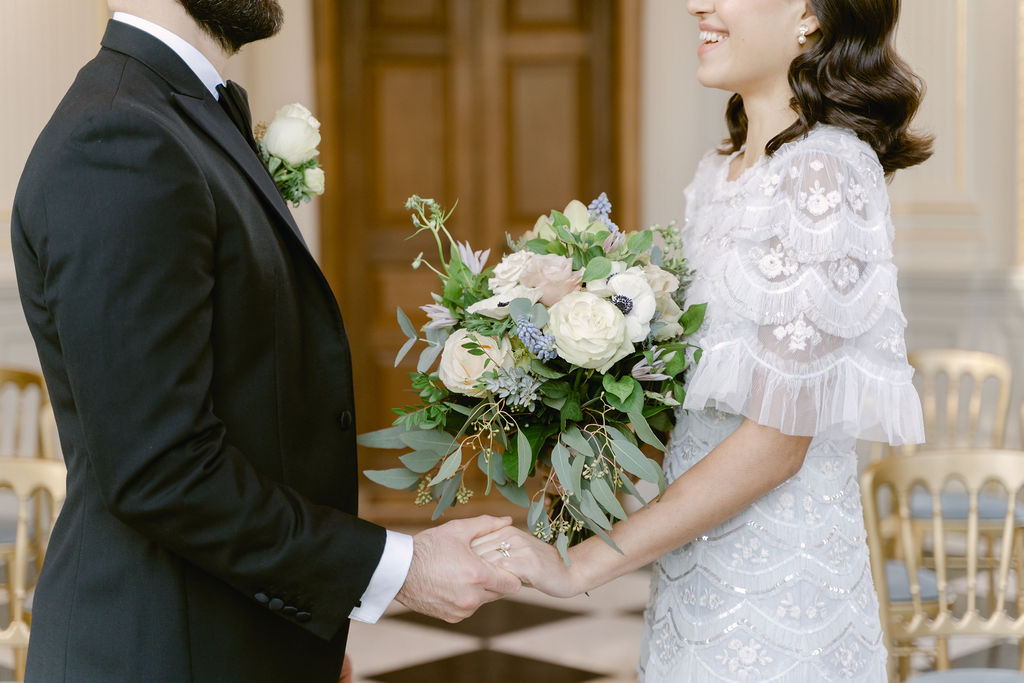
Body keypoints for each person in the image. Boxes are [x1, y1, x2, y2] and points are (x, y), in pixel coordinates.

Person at [12, 1, 520, 681]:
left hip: (229, 637)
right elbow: (162, 467)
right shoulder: (117, 137)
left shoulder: (178, 114)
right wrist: (400, 569)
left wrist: (295, 641)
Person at [473, 0, 931, 679]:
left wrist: (584, 564)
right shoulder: (719, 174)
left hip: (780, 603)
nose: (698, 5)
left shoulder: (825, 172)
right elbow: (696, 409)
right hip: (695, 583)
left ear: (808, 14)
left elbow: (777, 441)